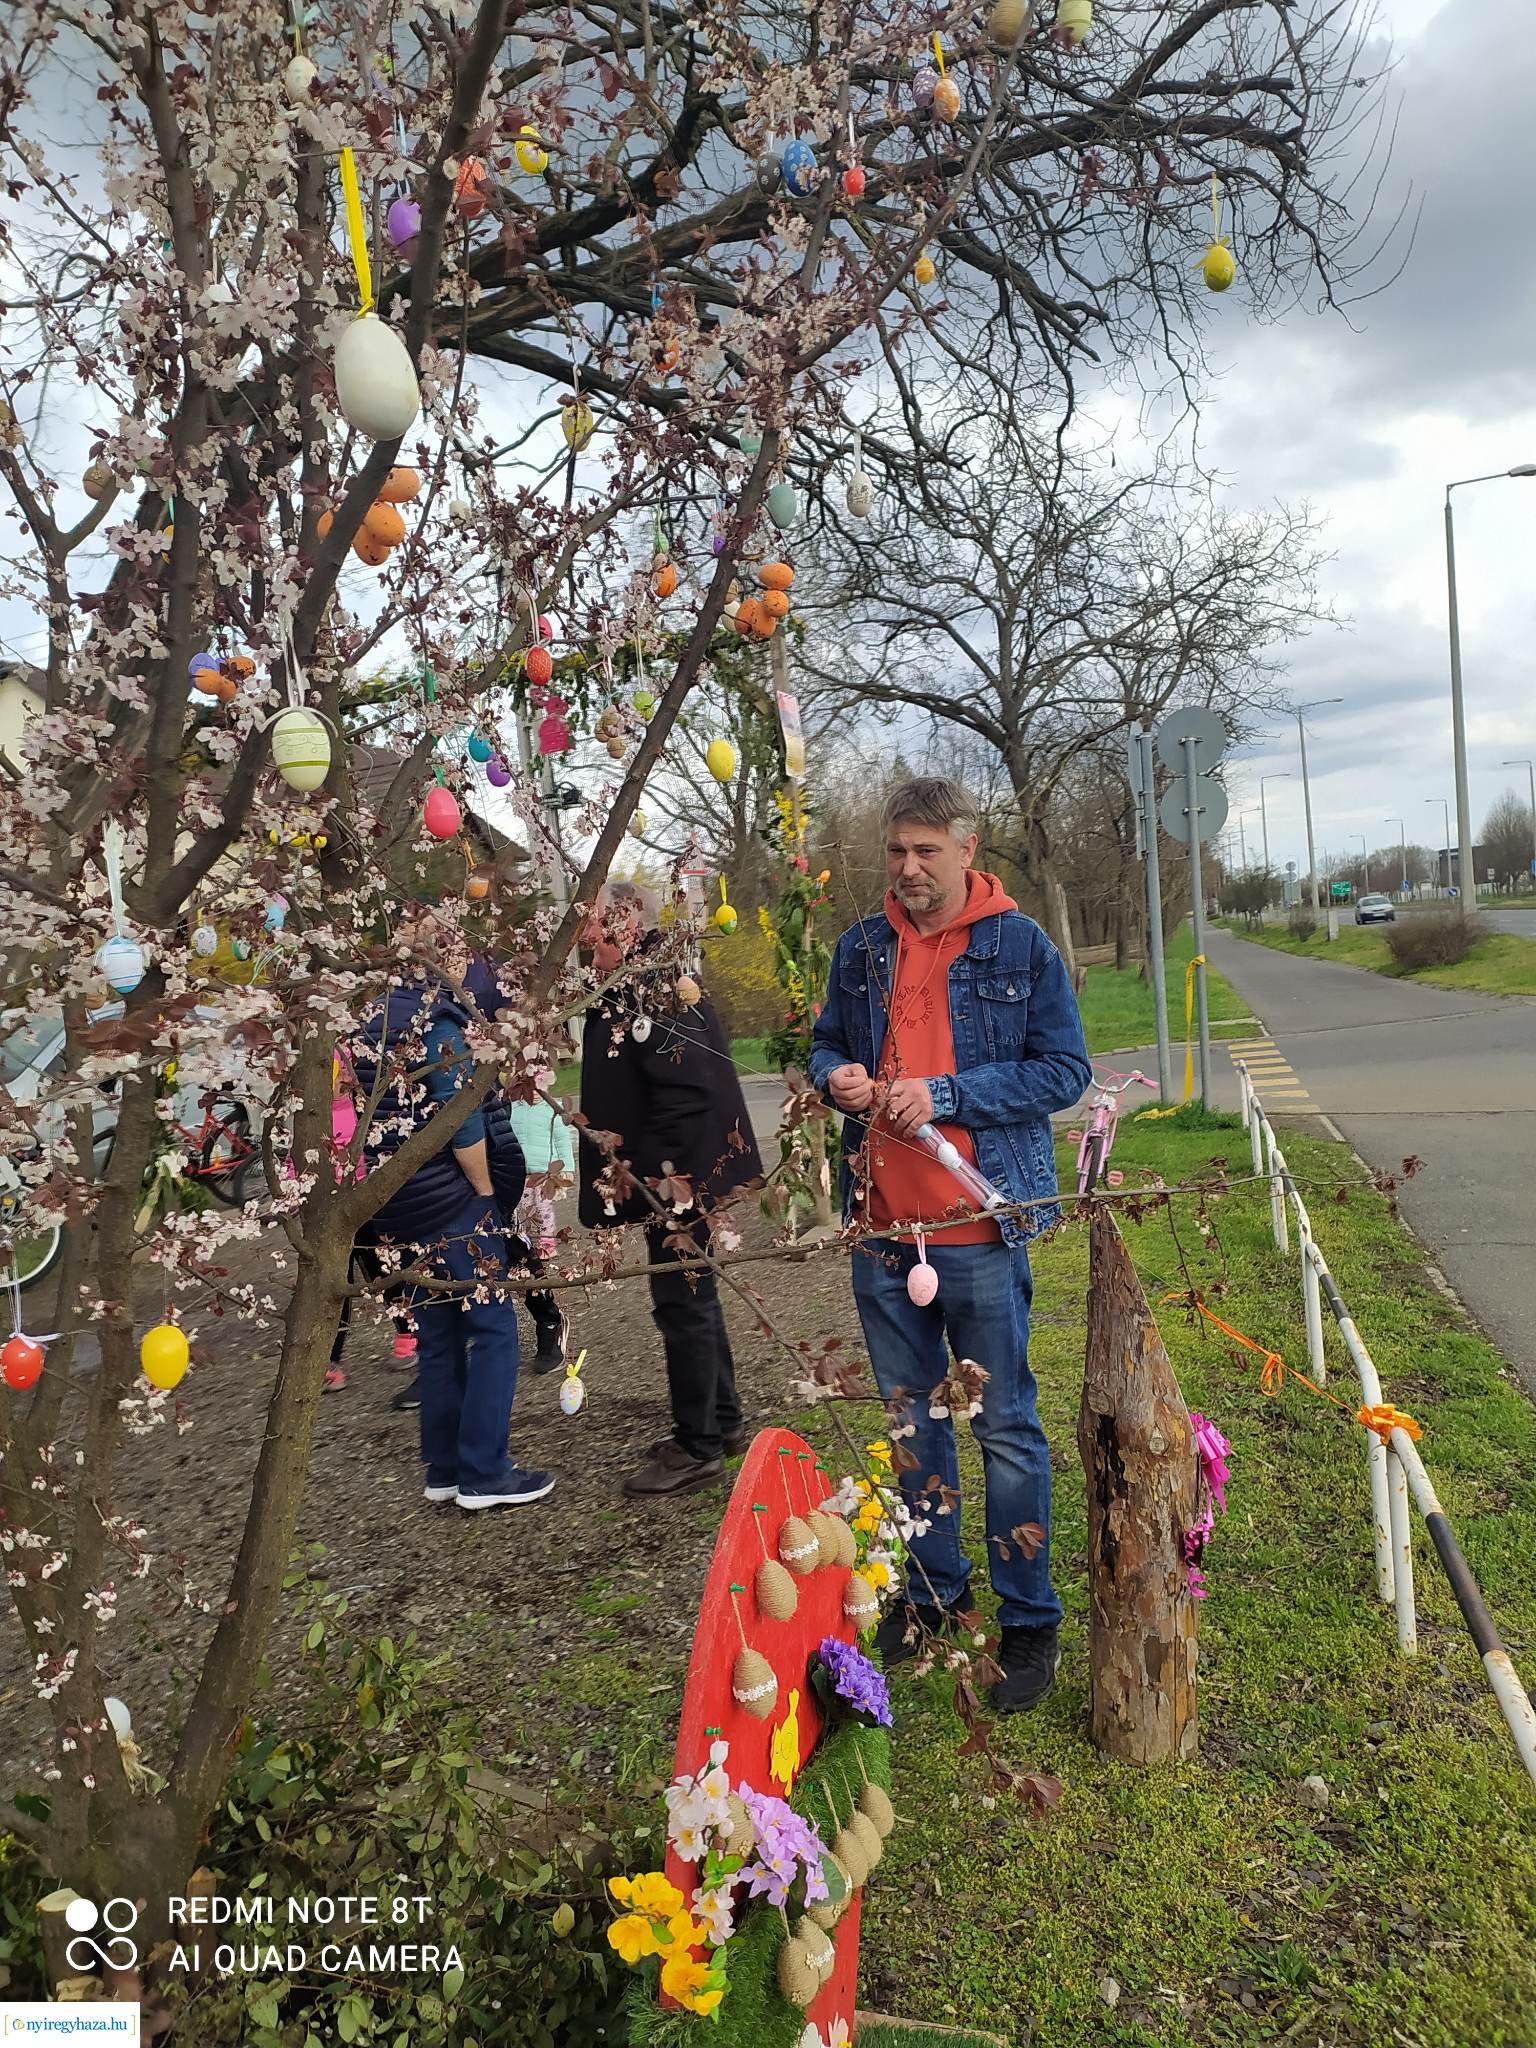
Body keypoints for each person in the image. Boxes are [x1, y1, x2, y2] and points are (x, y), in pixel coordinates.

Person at [809, 777, 1090, 1712]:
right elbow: (818, 1047)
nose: (909, 868)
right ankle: (934, 1591)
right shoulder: (861, 950)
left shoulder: (1020, 947)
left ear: (968, 850)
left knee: (1004, 1426)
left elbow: (1063, 1071)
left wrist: (950, 1092)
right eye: (897, 851)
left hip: (977, 1228)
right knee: (910, 1421)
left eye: (928, 850)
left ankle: (1028, 1617)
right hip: (884, 1232)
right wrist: (837, 1077)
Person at [350, 938, 554, 1512]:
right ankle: (486, 1472)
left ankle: (444, 1466)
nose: (473, 965)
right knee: (492, 1331)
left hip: (400, 1200)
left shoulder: (370, 1013)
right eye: (460, 952)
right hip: (450, 1198)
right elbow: (458, 1116)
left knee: (438, 1332)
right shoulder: (435, 1016)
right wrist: (486, 1192)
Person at [578, 882, 763, 1497]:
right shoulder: (634, 983)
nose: (585, 935)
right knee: (692, 1299)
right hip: (672, 1176)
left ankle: (698, 1446)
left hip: (679, 1182)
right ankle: (721, 1421)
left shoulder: (658, 989)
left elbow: (690, 1095)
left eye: (596, 923)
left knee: (682, 1303)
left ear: (628, 925)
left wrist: (666, 1186)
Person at [505, 1087, 575, 1372]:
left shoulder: (549, 1108)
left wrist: (566, 1166)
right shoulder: (513, 1105)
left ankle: (549, 1318)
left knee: (533, 1219)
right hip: (513, 1171)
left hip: (541, 1171)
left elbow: (561, 1137)